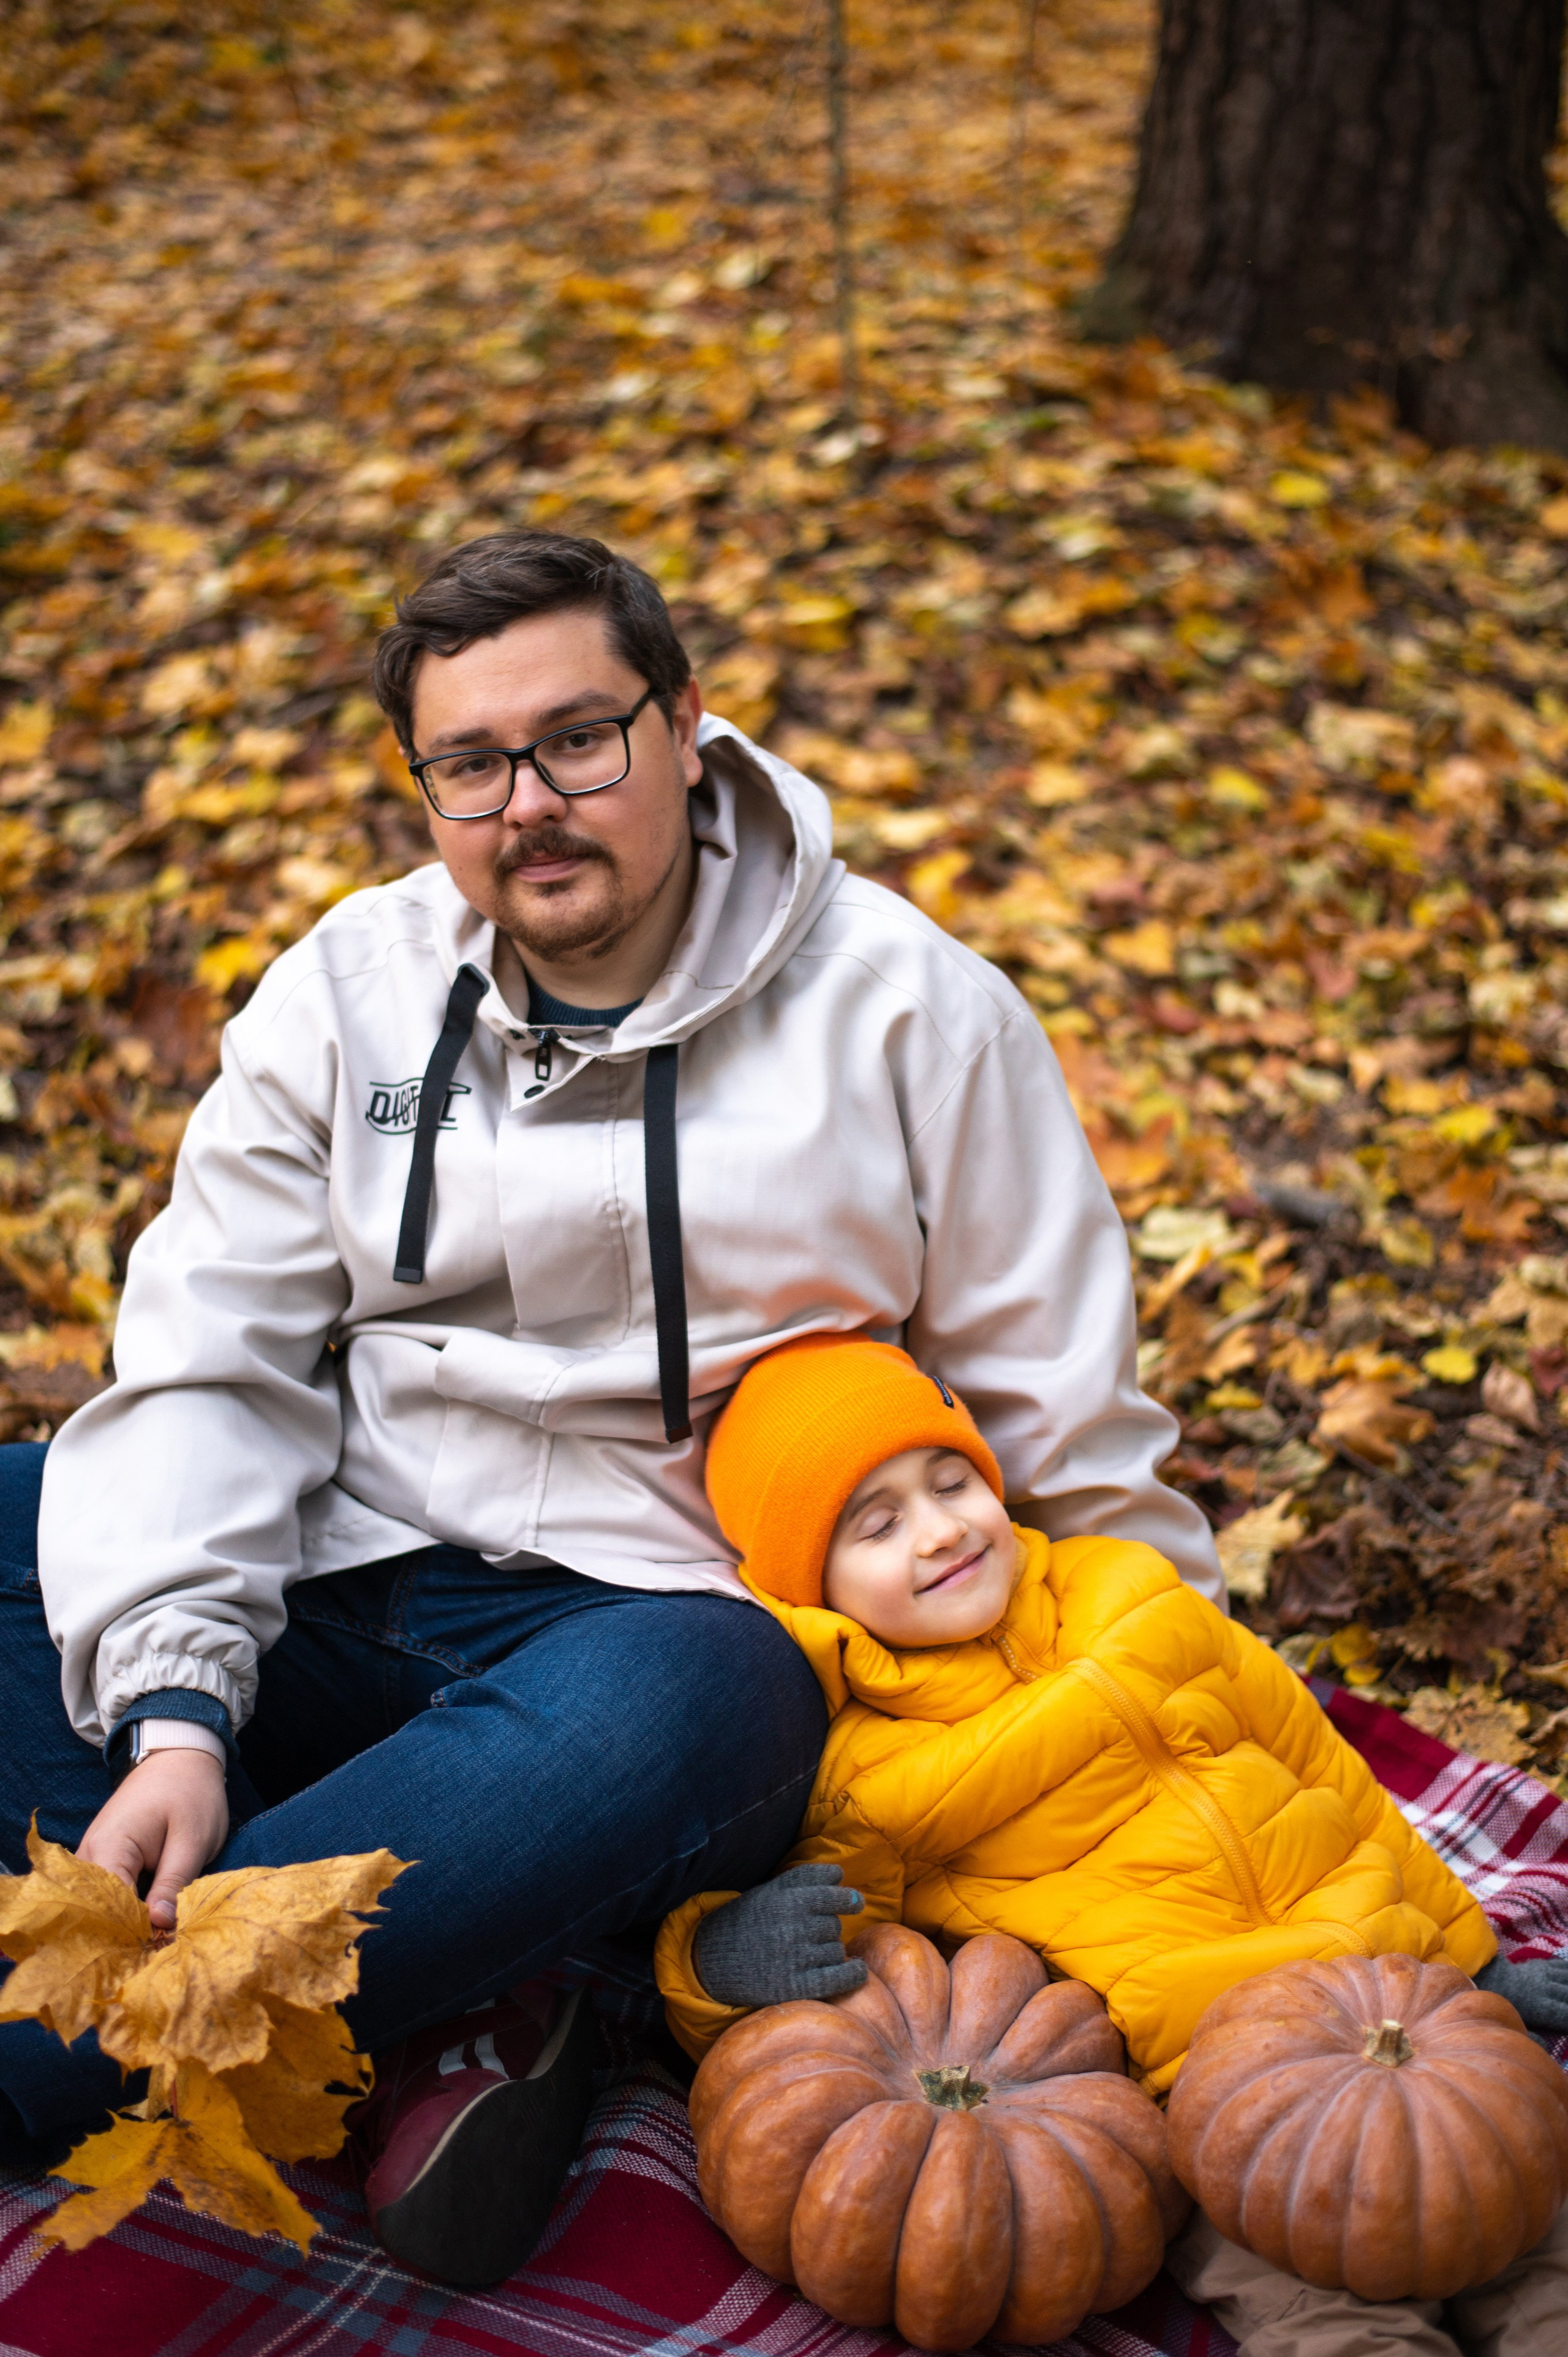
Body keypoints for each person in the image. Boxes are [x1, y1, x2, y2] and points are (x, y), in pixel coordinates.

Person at [5, 529, 1221, 2287]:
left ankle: (70, 2049)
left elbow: (1063, 1430)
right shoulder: (347, 996)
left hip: (655, 1637)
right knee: (20, 1514)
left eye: (581, 740)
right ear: (423, 785)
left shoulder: (906, 1012)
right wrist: (181, 1714)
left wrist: (1191, 1737)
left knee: (712, 1701)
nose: (530, 806)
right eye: (471, 767)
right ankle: (484, 1978)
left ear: (688, 728)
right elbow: (212, 1358)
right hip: (348, 1572)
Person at [654, 1332, 1568, 2355]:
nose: (939, 1531)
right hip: (1220, 2090)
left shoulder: (1129, 1590)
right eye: (877, 1525)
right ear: (813, 1589)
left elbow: (1319, 1762)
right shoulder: (872, 1773)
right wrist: (722, 1965)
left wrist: (1472, 1955)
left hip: (1399, 1998)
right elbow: (848, 2012)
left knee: (1531, 2240)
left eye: (952, 1481)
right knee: (1331, 2319)